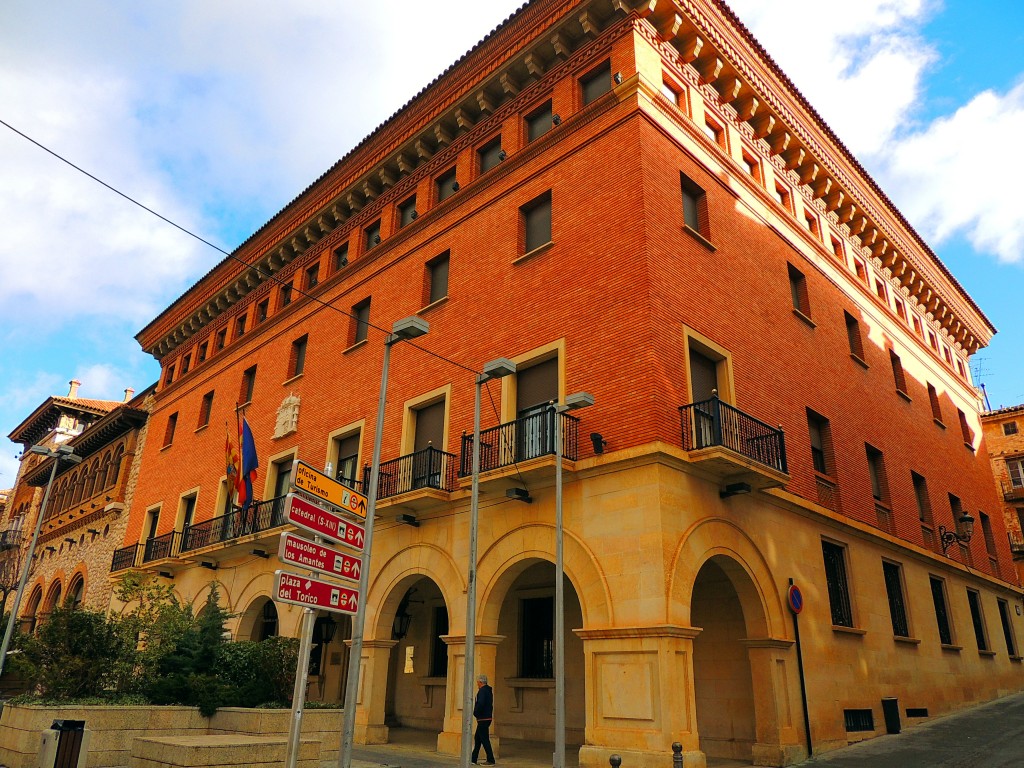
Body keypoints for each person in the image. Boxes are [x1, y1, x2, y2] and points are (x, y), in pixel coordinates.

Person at [472, 673, 495, 765]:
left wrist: (476, 712)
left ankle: (491, 759)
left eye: (478, 682)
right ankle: (473, 759)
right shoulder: (488, 691)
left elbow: (480, 703)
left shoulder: (482, 691)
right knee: (478, 738)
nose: (477, 684)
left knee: (484, 739)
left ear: (480, 682)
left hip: (483, 718)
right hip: (486, 718)